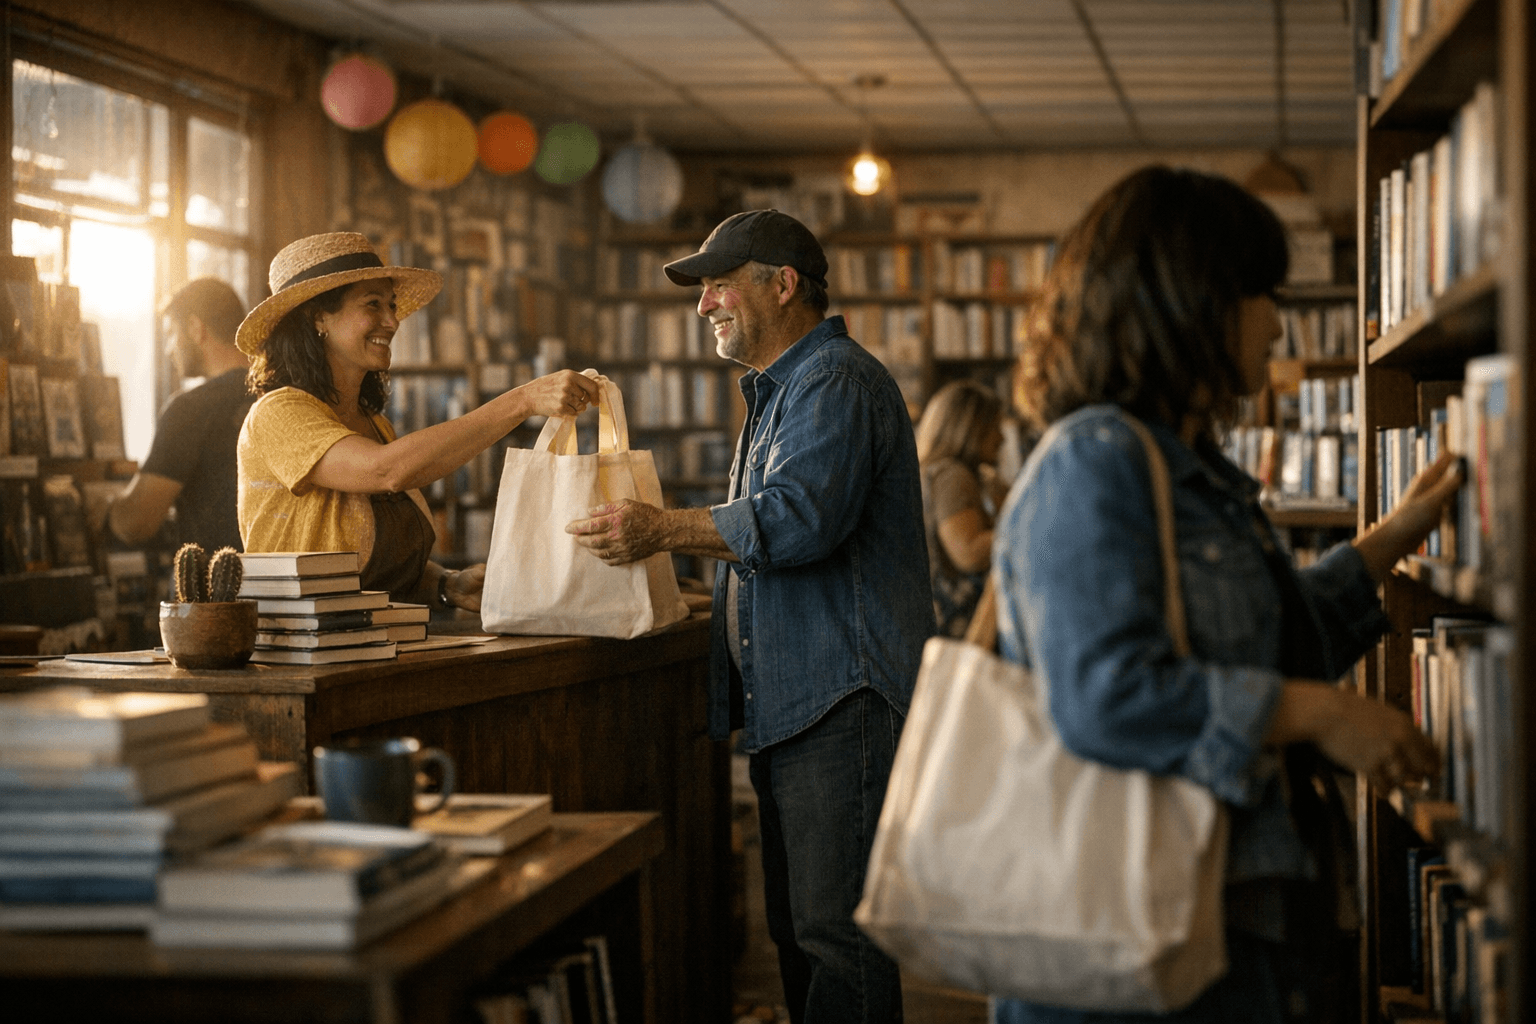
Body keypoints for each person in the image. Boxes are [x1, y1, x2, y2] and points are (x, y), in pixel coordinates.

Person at [991, 166, 1457, 1024]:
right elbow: (1105, 697)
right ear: (1191, 302)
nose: (1280, 322)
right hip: (1137, 952)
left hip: (1237, 926)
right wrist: (1318, 714)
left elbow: (1270, 637)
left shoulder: (1194, 472)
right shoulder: (1094, 462)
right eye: (1260, 293)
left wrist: (1394, 538)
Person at [565, 209, 933, 1023]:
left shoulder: (833, 379)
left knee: (840, 942)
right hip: (802, 705)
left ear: (783, 285)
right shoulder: (783, 391)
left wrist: (661, 528)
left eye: (718, 286)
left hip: (843, 702)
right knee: (804, 940)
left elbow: (798, 520)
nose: (704, 307)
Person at [234, 232, 599, 612]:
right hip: (299, 653)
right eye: (373, 305)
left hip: (370, 643)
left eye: (391, 306)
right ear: (317, 317)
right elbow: (385, 471)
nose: (392, 321)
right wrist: (522, 400)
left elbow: (367, 560)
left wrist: (445, 584)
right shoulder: (277, 413)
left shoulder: (376, 426)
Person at [109, 277, 252, 554]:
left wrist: (107, 508)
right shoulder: (280, 395)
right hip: (285, 586)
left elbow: (136, 524)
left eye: (171, 333)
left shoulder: (191, 409)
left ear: (196, 328)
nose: (168, 348)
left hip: (216, 592)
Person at [916, 378, 1008, 637]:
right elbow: (966, 552)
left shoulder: (938, 473)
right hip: (958, 626)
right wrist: (1026, 527)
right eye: (995, 427)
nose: (1002, 438)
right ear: (971, 427)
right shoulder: (952, 475)